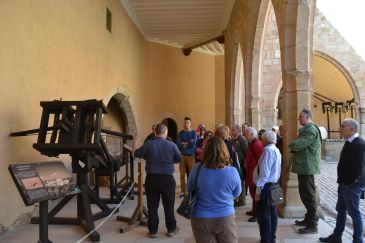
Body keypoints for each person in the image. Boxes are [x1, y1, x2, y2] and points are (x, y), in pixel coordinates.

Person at [133, 124, 183, 238]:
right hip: (167, 179)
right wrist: (170, 161)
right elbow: (179, 159)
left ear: (155, 132)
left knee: (152, 205)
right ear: (165, 132)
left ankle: (153, 231)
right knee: (169, 205)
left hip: (152, 179)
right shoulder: (171, 144)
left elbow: (135, 154)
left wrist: (134, 140)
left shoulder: (148, 144)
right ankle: (171, 229)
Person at [188, 136, 242, 243]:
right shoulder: (232, 171)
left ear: (206, 151)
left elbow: (189, 189)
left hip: (200, 217)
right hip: (225, 217)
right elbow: (237, 192)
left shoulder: (197, 169)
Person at [319, 119, 365, 243]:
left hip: (351, 186)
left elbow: (359, 168)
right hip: (344, 184)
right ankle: (337, 236)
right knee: (341, 211)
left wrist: (350, 183)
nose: (339, 128)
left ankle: (358, 240)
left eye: (342, 126)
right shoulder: (349, 142)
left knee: (354, 214)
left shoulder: (358, 144)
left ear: (352, 129)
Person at [288, 109, 321, 234]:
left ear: (307, 117)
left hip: (308, 167)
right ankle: (309, 219)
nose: (298, 119)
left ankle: (313, 224)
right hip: (304, 167)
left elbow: (298, 145)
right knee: (305, 193)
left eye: (301, 117)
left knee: (309, 195)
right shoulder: (306, 130)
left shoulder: (311, 130)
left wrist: (291, 144)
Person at [253, 131, 282, 243]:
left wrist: (258, 190)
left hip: (266, 186)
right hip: (273, 185)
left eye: (261, 139)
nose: (261, 141)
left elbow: (264, 172)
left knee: (265, 215)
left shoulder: (268, 150)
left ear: (264, 140)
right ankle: (271, 238)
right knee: (272, 213)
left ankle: (266, 239)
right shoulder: (276, 149)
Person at [244, 127, 264, 222]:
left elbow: (260, 160)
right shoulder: (251, 144)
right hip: (251, 173)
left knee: (256, 193)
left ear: (252, 134)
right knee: (252, 192)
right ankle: (254, 210)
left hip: (255, 174)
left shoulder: (257, 145)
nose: (245, 136)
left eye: (246, 134)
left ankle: (258, 213)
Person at [177, 117, 198, 197]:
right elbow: (178, 144)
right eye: (185, 122)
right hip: (182, 156)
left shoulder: (194, 133)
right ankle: (183, 191)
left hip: (191, 156)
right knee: (182, 175)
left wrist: (185, 143)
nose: (185, 124)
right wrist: (188, 143)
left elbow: (193, 144)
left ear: (190, 124)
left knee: (192, 174)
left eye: (187, 122)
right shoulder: (180, 133)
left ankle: (191, 191)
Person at [231, 124, 248, 207]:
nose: (231, 131)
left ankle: (242, 200)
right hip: (235, 164)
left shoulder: (241, 139)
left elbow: (246, 151)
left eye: (232, 130)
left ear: (237, 130)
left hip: (240, 164)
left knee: (241, 181)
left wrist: (245, 162)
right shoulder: (233, 139)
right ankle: (237, 198)